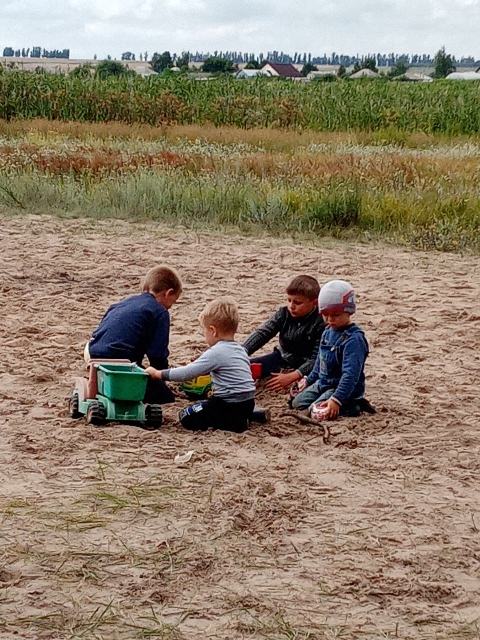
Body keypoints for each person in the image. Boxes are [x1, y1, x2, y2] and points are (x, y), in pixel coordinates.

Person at [146, 297, 256, 432]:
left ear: (213, 331)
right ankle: (247, 417)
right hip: (248, 403)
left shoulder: (216, 352)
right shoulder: (241, 349)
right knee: (226, 410)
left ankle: (231, 423)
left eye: (204, 331)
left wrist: (158, 373)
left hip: (227, 403)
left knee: (186, 416)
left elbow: (186, 374)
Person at [85, 265, 182, 404]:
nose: (170, 306)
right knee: (165, 397)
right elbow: (157, 354)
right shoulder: (159, 312)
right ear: (168, 293)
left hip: (93, 353)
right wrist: (160, 377)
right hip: (121, 361)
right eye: (173, 302)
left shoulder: (122, 304)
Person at [291, 279, 374, 419]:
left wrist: (336, 399)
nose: (330, 319)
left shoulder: (354, 340)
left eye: (336, 315)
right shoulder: (327, 332)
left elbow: (350, 375)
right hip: (323, 383)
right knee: (297, 403)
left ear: (349, 312)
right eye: (326, 315)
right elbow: (319, 363)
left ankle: (352, 405)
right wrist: (308, 380)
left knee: (316, 411)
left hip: (342, 388)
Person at [242, 275, 325, 391]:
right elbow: (263, 333)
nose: (291, 306)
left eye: (297, 302)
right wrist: (241, 352)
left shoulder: (322, 322)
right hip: (281, 358)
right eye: (289, 300)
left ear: (314, 302)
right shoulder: (283, 313)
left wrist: (293, 375)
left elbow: (317, 359)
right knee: (242, 368)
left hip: (310, 367)